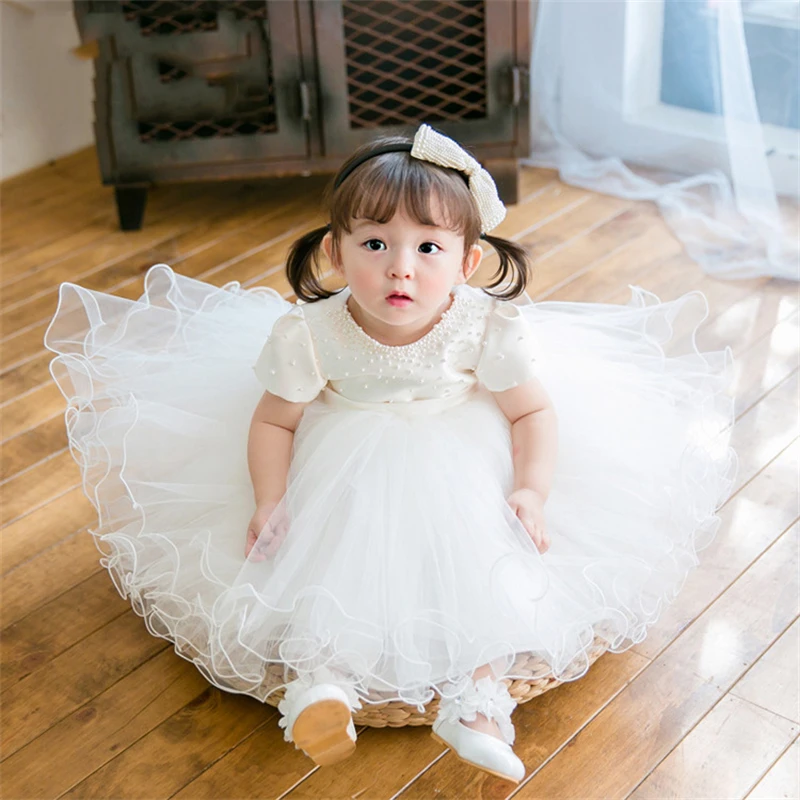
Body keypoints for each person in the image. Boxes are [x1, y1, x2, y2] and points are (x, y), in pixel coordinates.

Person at [45, 124, 737, 785]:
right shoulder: (311, 333)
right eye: (375, 244)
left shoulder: (482, 325)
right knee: (319, 551)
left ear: (466, 264)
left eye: (428, 249)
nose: (400, 268)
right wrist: (268, 498)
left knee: (487, 562)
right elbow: (274, 422)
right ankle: (321, 685)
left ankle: (478, 704)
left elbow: (532, 410)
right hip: (341, 447)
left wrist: (530, 487)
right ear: (335, 254)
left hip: (459, 447)